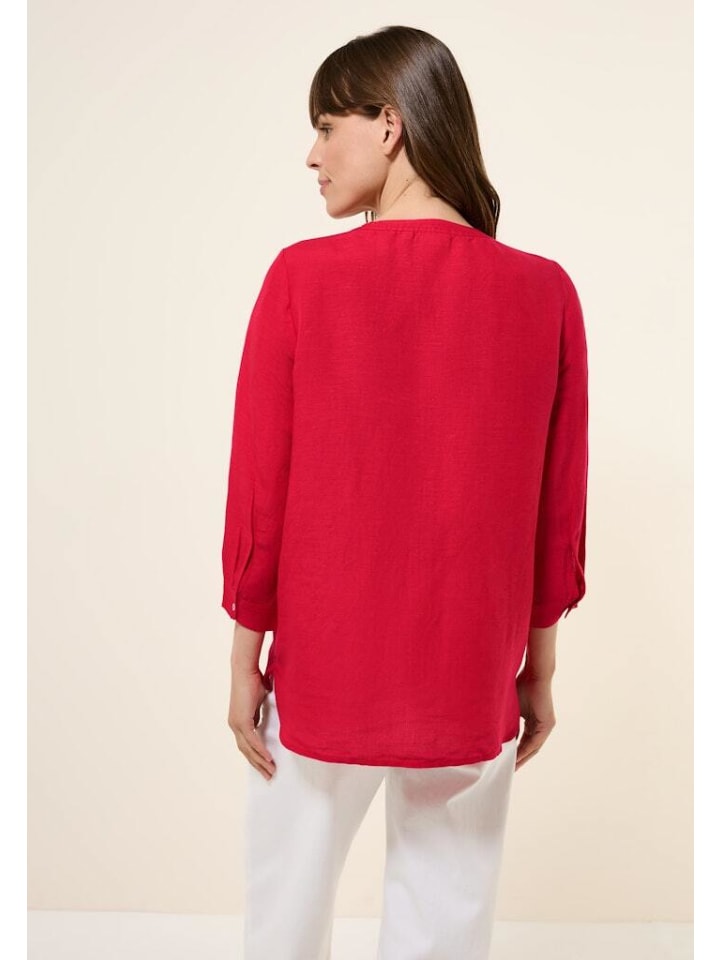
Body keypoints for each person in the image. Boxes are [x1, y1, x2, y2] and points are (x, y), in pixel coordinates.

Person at [222, 24, 588, 960]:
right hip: (470, 667)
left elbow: (262, 487)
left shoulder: (302, 278)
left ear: (389, 125)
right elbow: (556, 515)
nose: (312, 155)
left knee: (284, 914)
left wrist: (246, 656)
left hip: (324, 666)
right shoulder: (544, 293)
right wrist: (538, 671)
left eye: (326, 126)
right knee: (445, 921)